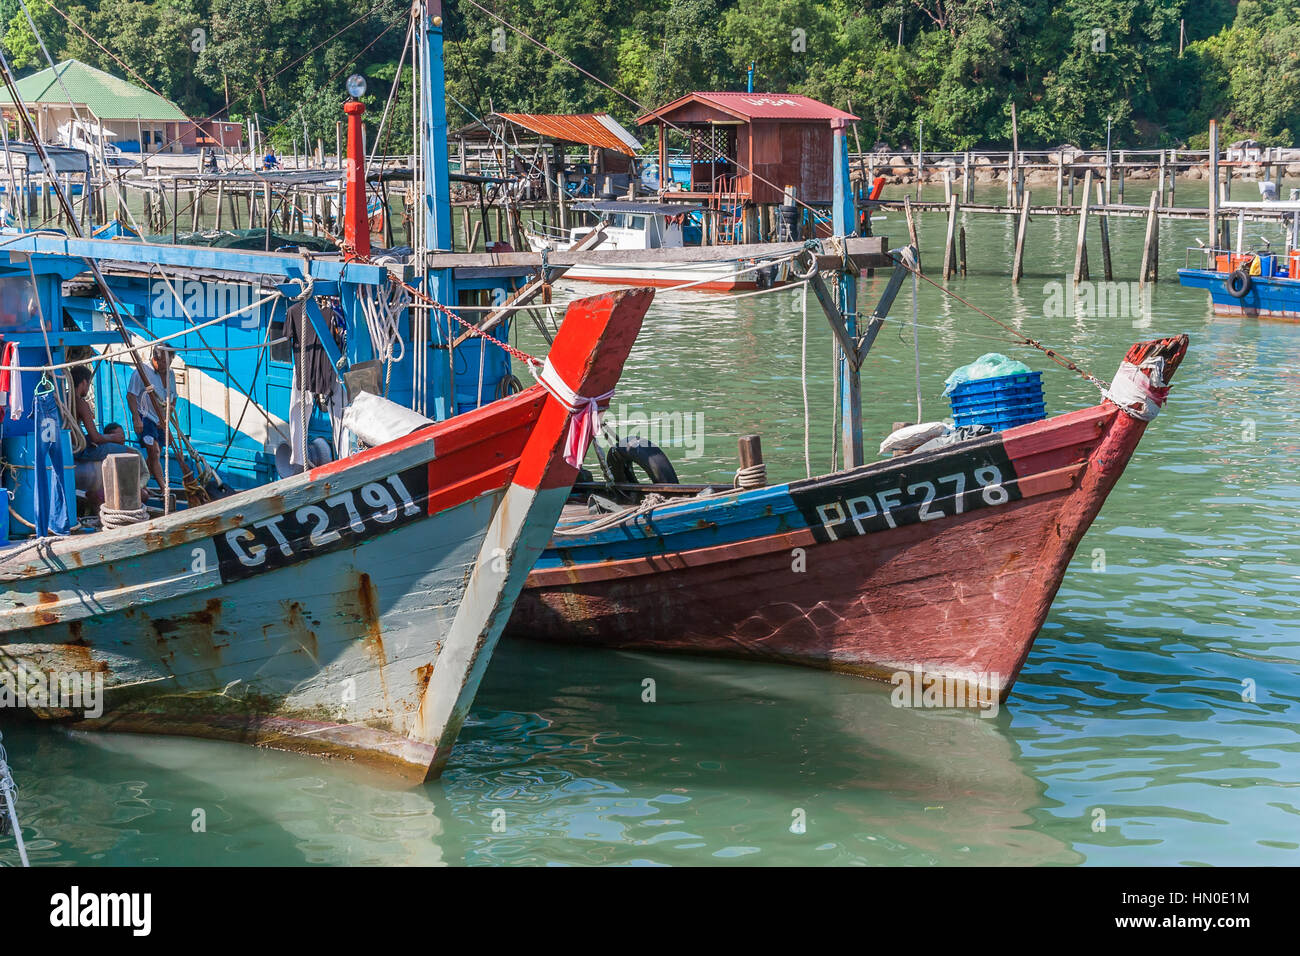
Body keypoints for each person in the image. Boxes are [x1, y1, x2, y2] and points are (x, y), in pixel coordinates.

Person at [127, 345, 180, 495]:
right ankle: (164, 488)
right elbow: (131, 396)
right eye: (163, 363)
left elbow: (173, 398)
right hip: (145, 416)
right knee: (154, 450)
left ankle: (140, 481)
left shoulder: (170, 374)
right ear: (155, 359)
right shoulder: (141, 372)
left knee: (155, 455)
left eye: (169, 363)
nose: (166, 367)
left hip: (161, 418)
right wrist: (136, 419)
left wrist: (166, 419)